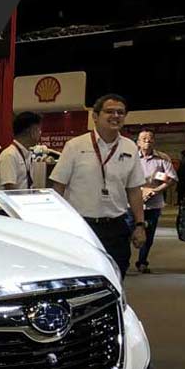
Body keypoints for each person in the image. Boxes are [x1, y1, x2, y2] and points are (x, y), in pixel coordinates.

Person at [48, 94, 147, 278]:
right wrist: (57, 224)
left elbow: (134, 190)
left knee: (116, 277)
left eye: (120, 112)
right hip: (81, 228)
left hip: (117, 228)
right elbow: (58, 187)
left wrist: (140, 225)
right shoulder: (75, 146)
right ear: (95, 116)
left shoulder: (130, 148)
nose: (116, 116)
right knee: (81, 278)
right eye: (109, 111)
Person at [134, 130, 177, 274]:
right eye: (144, 138)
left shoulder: (162, 158)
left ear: (154, 141)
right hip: (132, 203)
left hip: (153, 204)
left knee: (148, 235)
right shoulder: (131, 158)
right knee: (126, 233)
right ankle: (122, 263)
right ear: (138, 142)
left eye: (150, 138)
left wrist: (155, 190)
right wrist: (141, 191)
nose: (147, 140)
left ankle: (142, 262)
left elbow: (171, 178)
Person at [0, 111, 43, 190]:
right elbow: (10, 189)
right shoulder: (9, 155)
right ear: (31, 131)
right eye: (39, 129)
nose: (40, 133)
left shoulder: (27, 154)